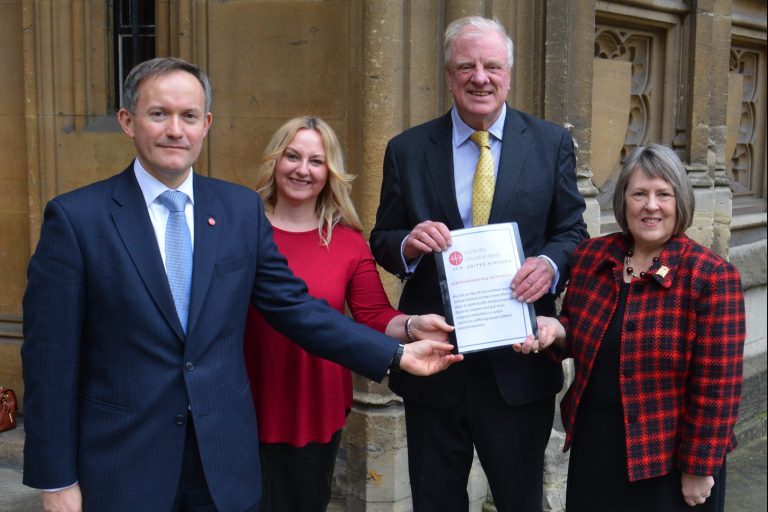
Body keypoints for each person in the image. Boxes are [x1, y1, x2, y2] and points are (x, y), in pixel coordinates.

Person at [21, 57, 462, 512]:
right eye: (159, 114)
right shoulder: (76, 220)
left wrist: (395, 354)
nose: (176, 130)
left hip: (224, 465)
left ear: (206, 124)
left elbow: (297, 308)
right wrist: (56, 480)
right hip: (123, 466)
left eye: (189, 116)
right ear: (127, 121)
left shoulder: (236, 211)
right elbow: (50, 361)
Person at [369, 15, 588, 512]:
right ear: (449, 76)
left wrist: (550, 267)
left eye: (492, 65)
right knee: (435, 501)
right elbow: (382, 237)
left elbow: (573, 231)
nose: (480, 77)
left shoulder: (551, 143)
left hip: (519, 363)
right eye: (466, 66)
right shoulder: (406, 150)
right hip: (436, 362)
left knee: (519, 500)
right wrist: (408, 243)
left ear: (508, 74)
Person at [516, 144, 746, 511]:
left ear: (680, 202)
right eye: (639, 193)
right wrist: (555, 330)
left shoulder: (711, 277)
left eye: (663, 194)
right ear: (624, 200)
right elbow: (582, 330)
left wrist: (699, 467)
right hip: (597, 447)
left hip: (667, 459)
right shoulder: (593, 257)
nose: (650, 205)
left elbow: (719, 386)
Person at [243, 116, 455, 511]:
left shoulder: (346, 242)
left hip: (313, 402)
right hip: (245, 397)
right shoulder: (240, 227)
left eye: (316, 161)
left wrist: (411, 326)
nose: (302, 170)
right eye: (292, 156)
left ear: (330, 173)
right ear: (275, 160)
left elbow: (373, 313)